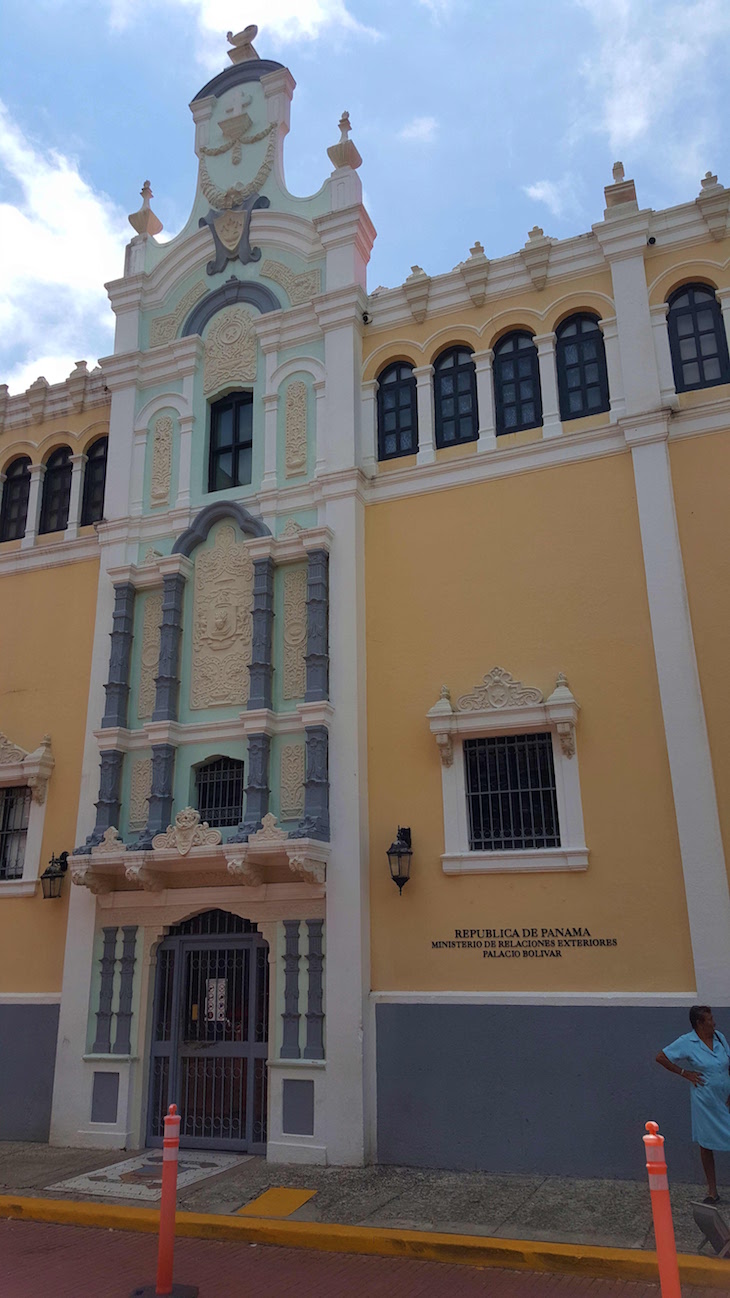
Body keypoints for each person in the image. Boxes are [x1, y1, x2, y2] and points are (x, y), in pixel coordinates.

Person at [656, 1005, 730, 1203]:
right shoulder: (687, 1042)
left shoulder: (720, 1038)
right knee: (706, 1144)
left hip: (725, 1097)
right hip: (705, 1100)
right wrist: (685, 1073)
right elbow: (661, 1057)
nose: (714, 1022)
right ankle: (712, 1191)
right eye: (709, 1019)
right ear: (699, 1023)